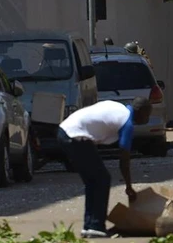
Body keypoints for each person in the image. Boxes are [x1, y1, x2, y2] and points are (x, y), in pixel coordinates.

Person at [57, 97, 152, 239]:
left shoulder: (119, 109)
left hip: (66, 131)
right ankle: (95, 226)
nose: (148, 118)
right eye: (148, 114)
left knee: (94, 180)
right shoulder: (127, 123)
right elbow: (124, 159)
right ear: (141, 111)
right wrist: (129, 186)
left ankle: (90, 226)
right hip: (75, 135)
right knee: (102, 179)